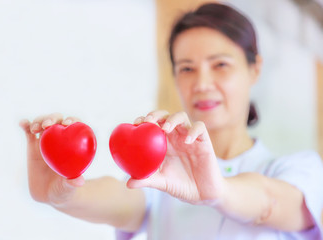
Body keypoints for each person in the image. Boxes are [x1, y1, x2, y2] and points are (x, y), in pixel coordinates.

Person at [19, 3, 323, 240]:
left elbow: (269, 201)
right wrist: (65, 193)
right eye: (187, 68)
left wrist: (217, 190)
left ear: (254, 69)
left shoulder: (300, 170)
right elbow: (121, 199)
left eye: (220, 65)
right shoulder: (164, 170)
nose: (202, 83)